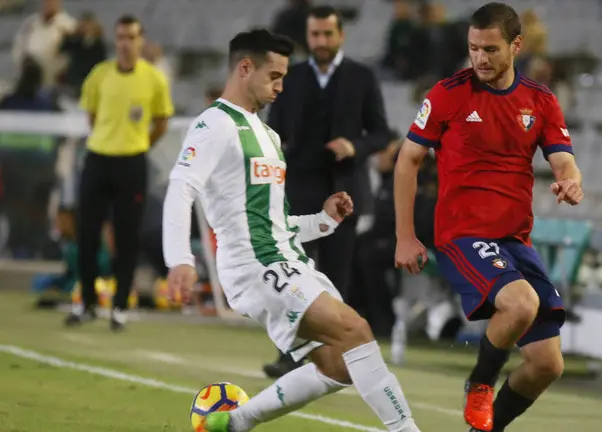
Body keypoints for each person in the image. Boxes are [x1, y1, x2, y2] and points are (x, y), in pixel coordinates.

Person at [162, 28, 420, 432]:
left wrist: (323, 220)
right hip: (257, 266)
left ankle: (236, 422)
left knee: (336, 366)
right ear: (245, 68)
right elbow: (182, 187)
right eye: (275, 76)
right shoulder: (214, 124)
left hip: (287, 259)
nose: (282, 86)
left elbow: (275, 224)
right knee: (357, 330)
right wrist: (180, 259)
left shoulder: (266, 135)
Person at [393, 3, 583, 432]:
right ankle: (479, 383)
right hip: (464, 234)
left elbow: (564, 161)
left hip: (515, 241)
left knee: (546, 364)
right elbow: (408, 161)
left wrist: (571, 182)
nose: (479, 58)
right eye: (474, 48)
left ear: (516, 46)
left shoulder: (540, 100)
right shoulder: (447, 93)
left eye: (491, 49)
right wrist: (405, 235)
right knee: (521, 304)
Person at [264, 4, 390, 378]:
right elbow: (273, 130)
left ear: (341, 36)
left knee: (336, 279)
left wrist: (355, 146)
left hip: (344, 191)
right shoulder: (292, 76)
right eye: (315, 35)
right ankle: (289, 354)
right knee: (290, 277)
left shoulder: (361, 77)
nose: (320, 41)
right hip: (298, 191)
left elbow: (382, 133)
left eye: (327, 34)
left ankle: (337, 358)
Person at [64, 15, 174, 331]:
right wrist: (110, 139)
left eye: (131, 37)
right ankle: (85, 302)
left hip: (132, 163)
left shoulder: (153, 79)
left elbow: (162, 122)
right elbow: (92, 116)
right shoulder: (100, 75)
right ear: (116, 41)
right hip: (98, 159)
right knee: (87, 234)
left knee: (127, 237)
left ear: (141, 41)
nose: (125, 43)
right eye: (121, 37)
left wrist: (138, 144)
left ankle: (120, 307)